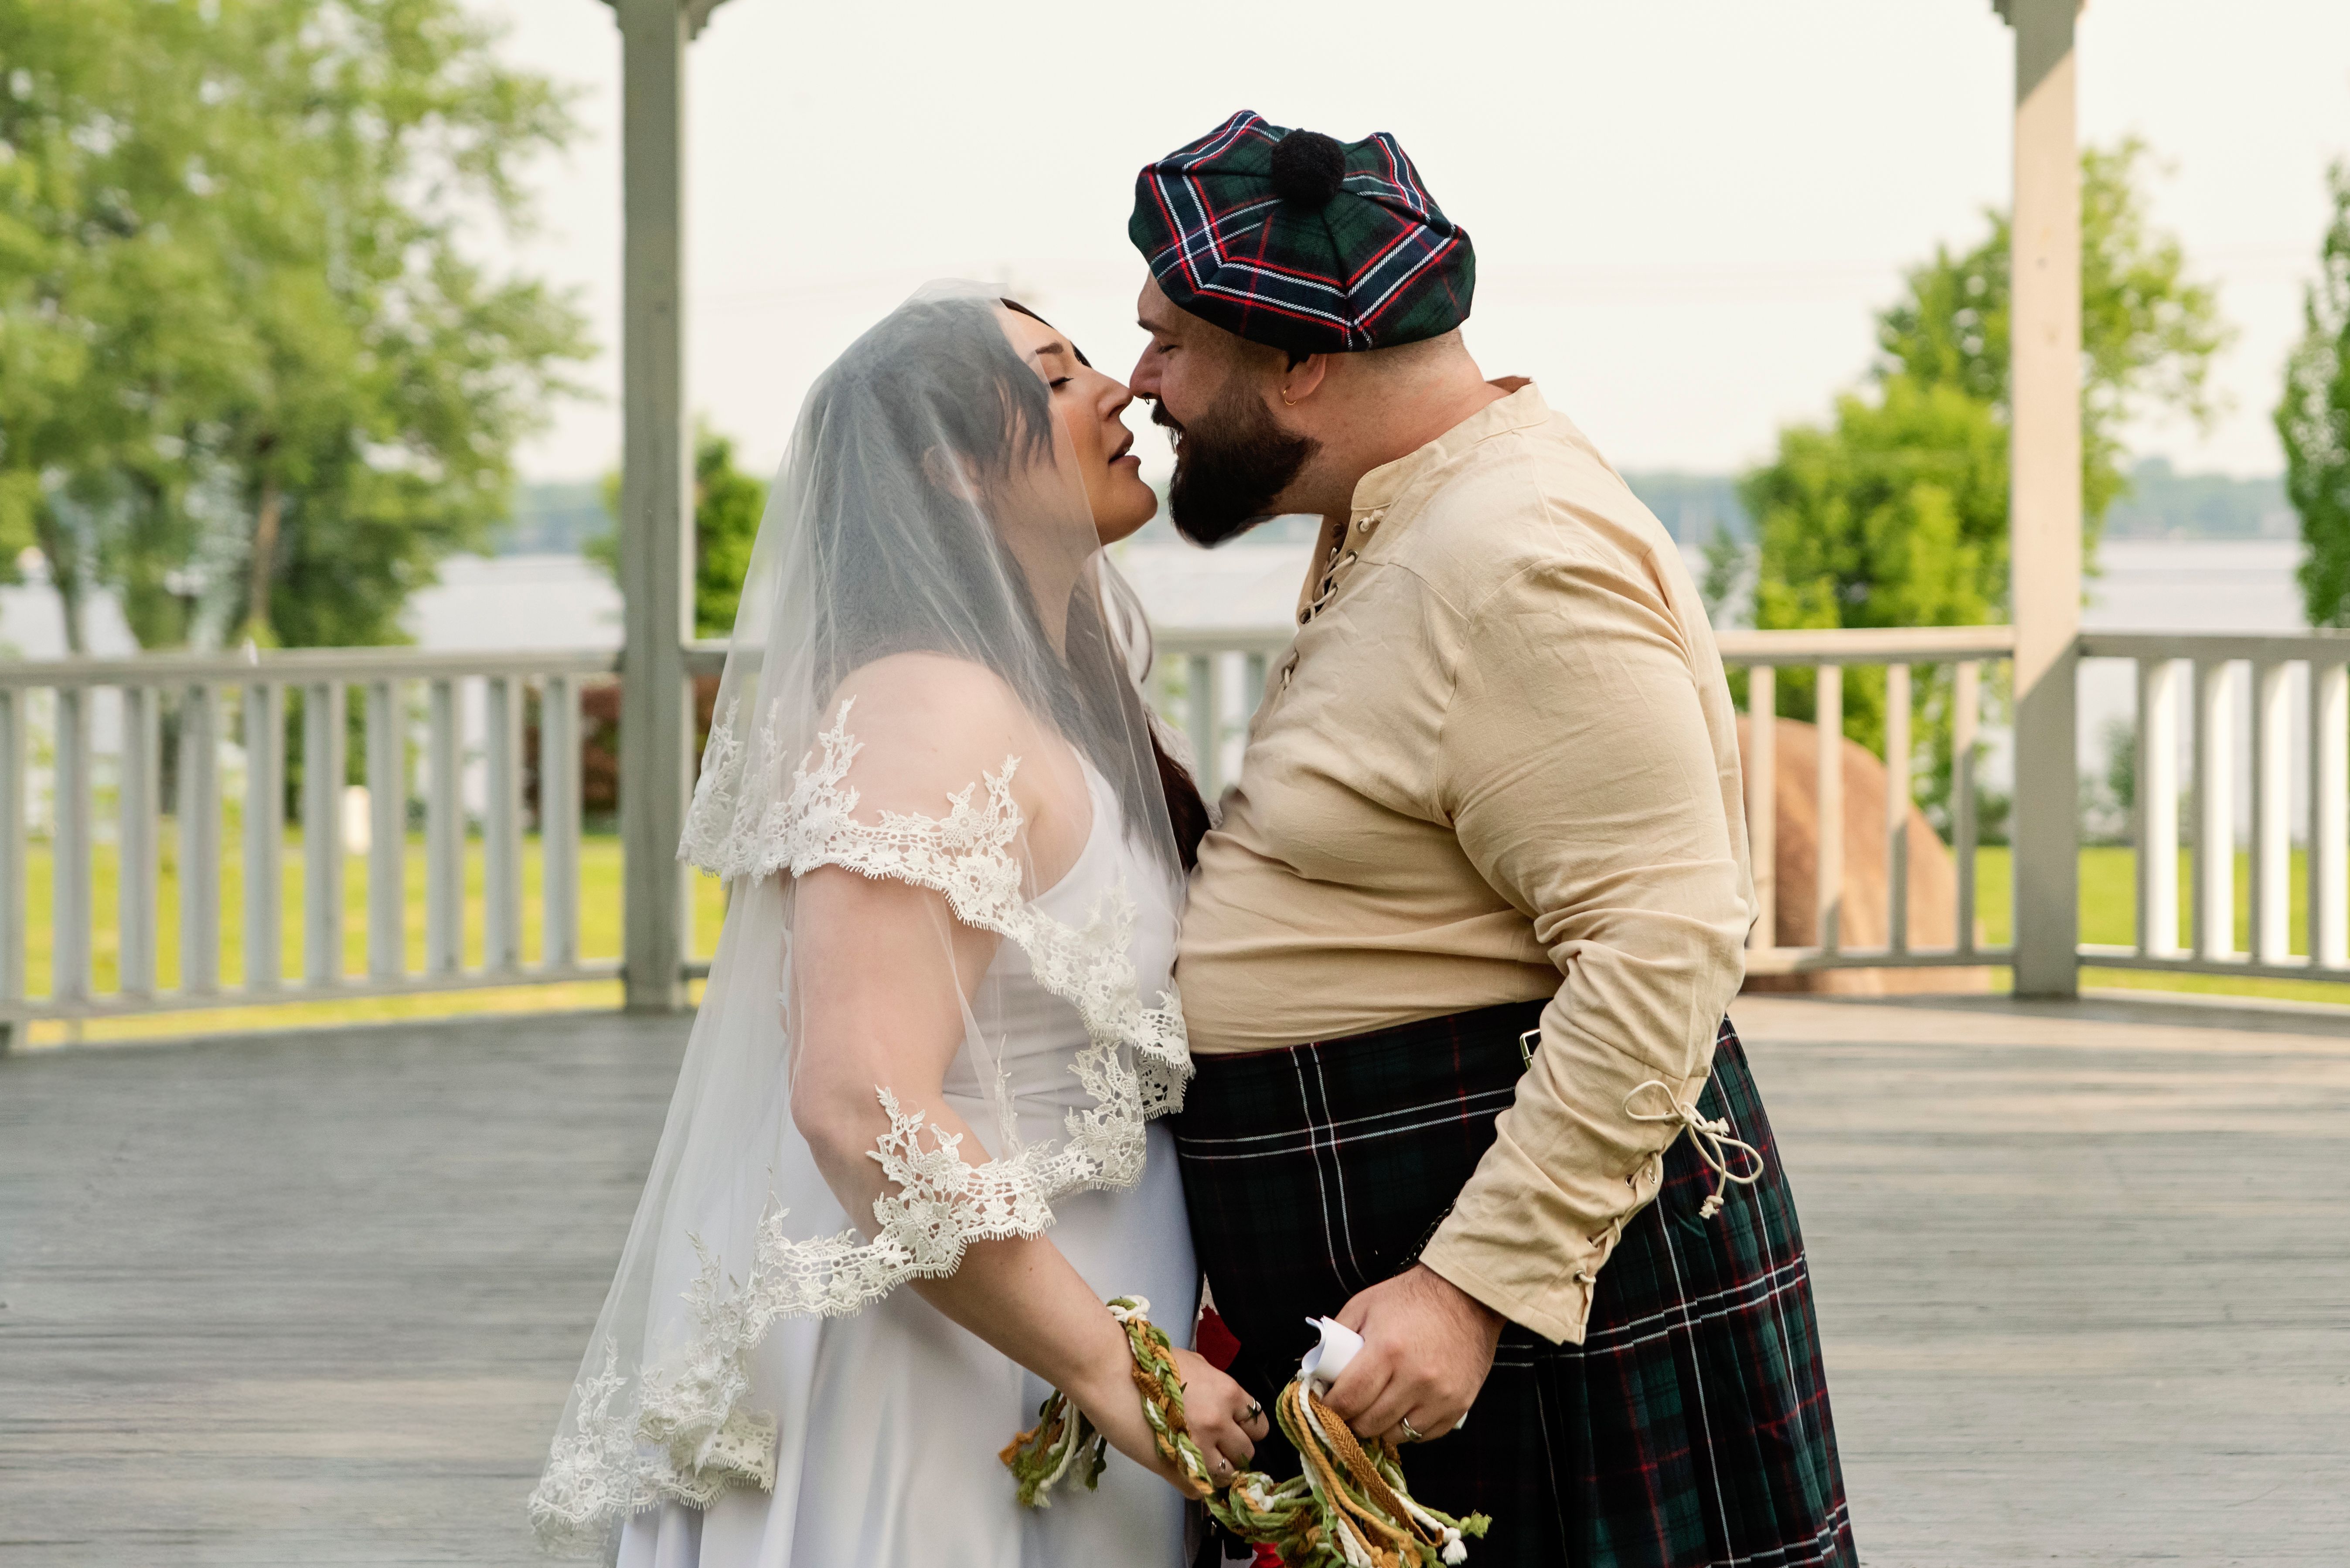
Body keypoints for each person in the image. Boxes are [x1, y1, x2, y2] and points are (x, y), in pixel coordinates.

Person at [1131, 112, 1857, 1567]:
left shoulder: (1515, 554)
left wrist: (1473, 1290)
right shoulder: (1414, 520)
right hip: (1409, 1273)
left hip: (1521, 1316)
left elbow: (1663, 945)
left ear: (1303, 362)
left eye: (1169, 343)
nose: (1140, 382)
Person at [528, 285, 1267, 1566]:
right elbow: (859, 1102)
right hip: (941, 1391)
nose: (1121, 391)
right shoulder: (925, 706)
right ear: (951, 467)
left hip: (1048, 1372)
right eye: (1053, 376)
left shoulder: (1045, 708)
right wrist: (1119, 1369)